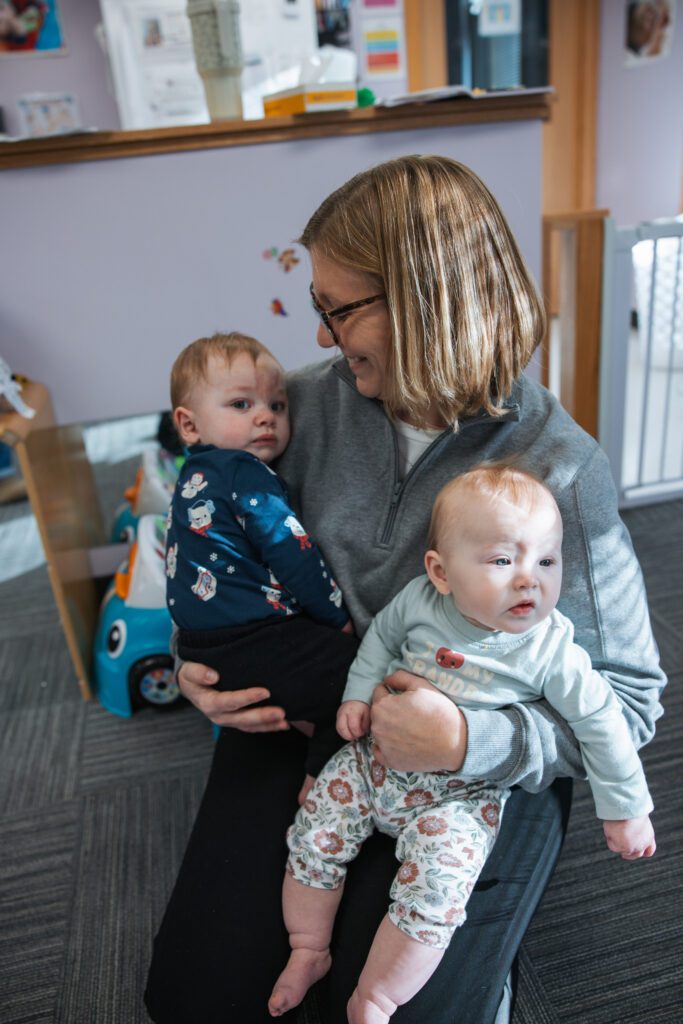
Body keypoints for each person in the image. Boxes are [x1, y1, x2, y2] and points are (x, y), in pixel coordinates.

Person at [144, 155, 665, 1024]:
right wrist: (198, 666)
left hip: (476, 760)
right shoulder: (294, 408)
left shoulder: (558, 467)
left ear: (424, 299)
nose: (319, 338)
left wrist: (468, 740)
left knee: (394, 1008)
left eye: (338, 310)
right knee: (195, 997)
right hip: (322, 718)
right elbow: (204, 535)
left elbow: (631, 702)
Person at [269, 466, 656, 1023]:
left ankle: (377, 995)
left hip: (461, 795)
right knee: (313, 832)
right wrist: (356, 696)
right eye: (503, 561)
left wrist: (627, 808)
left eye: (546, 561)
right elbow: (380, 639)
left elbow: (604, 722)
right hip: (373, 761)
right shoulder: (419, 600)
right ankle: (308, 947)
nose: (530, 580)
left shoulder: (550, 650)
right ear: (440, 572)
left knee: (436, 894)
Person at [166, 331, 355, 782]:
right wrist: (337, 620)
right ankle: (327, 777)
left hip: (200, 645)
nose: (265, 418)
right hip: (254, 636)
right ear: (189, 425)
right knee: (355, 673)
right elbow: (295, 554)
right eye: (241, 405)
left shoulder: (193, 475)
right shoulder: (246, 474)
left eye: (277, 406)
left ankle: (306, 725)